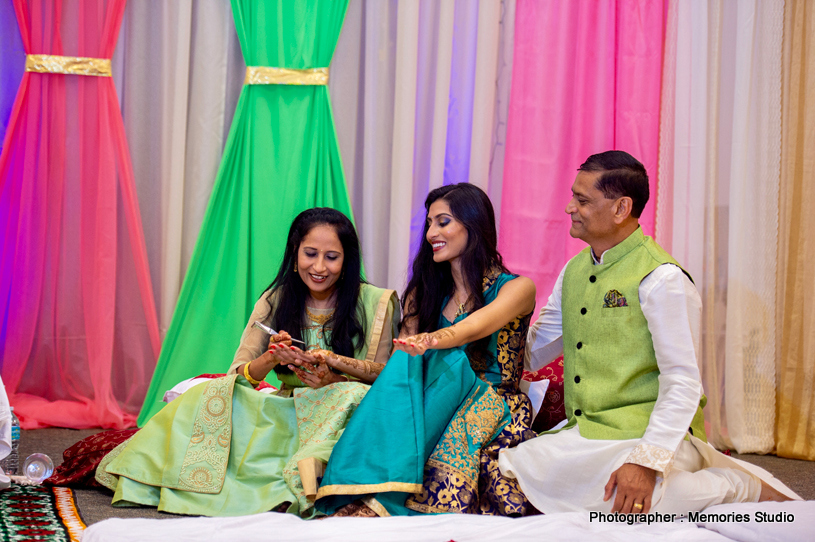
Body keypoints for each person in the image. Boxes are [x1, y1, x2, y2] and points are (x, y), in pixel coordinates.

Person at [498, 150, 799, 515]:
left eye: (582, 200)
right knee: (511, 472)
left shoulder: (663, 279)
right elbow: (534, 350)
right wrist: (476, 333)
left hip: (649, 435)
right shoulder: (574, 271)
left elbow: (683, 383)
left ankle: (735, 486)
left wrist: (645, 461)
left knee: (627, 508)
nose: (569, 208)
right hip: (589, 433)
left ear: (621, 209)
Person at [97, 208, 399, 517]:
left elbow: (387, 379)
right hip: (288, 408)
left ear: (347, 261)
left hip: (344, 411)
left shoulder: (375, 303)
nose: (319, 267)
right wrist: (271, 358)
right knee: (212, 394)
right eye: (310, 254)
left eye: (332, 257)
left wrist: (333, 375)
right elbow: (237, 375)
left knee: (354, 395)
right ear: (294, 255)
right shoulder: (275, 299)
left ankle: (305, 478)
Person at [315, 183, 538, 517]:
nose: (432, 232)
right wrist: (335, 362)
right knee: (407, 367)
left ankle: (379, 500)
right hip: (432, 393)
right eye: (430, 222)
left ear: (473, 224)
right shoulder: (426, 292)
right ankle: (356, 491)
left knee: (448, 359)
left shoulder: (518, 288)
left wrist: (431, 341)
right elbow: (394, 371)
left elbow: (475, 327)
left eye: (443, 222)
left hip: (492, 401)